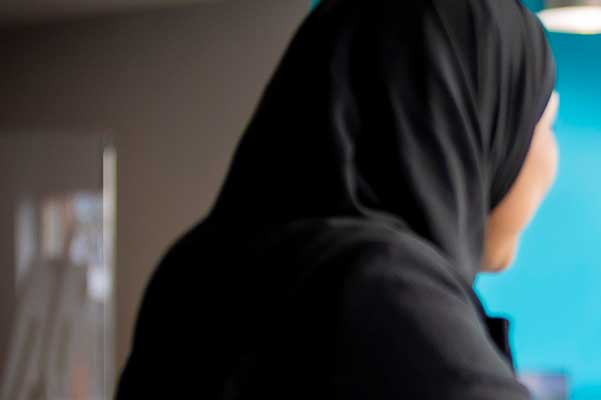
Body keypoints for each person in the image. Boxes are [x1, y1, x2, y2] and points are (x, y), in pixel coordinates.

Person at [114, 0, 559, 398]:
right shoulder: (380, 287)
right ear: (481, 125)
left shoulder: (194, 269)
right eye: (546, 122)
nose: (552, 161)